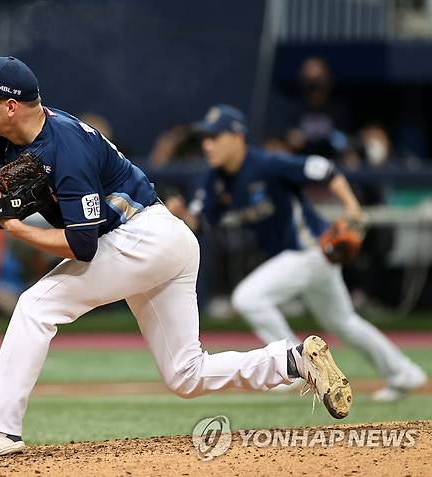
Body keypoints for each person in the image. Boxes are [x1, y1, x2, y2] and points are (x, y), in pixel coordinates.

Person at [0, 56, 352, 458]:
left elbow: (84, 246)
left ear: (11, 105)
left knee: (36, 305)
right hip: (162, 240)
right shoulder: (2, 136)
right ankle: (291, 361)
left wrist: (16, 229)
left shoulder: (63, 150)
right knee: (185, 375)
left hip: (144, 238)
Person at [166, 104, 427, 403]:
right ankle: (404, 373)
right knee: (344, 322)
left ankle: (295, 363)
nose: (207, 144)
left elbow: (325, 170)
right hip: (301, 260)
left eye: (215, 136)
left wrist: (353, 209)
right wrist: (181, 214)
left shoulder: (267, 164)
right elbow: (199, 223)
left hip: (310, 251)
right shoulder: (215, 180)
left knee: (248, 298)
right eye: (205, 138)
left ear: (237, 137)